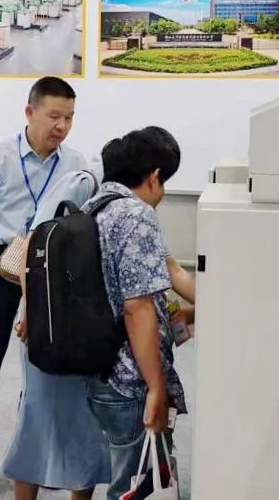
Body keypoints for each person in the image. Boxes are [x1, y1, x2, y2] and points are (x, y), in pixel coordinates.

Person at [0, 76, 88, 500]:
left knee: (44, 373)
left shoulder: (76, 164)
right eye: (54, 116)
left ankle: (35, 462)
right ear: (30, 112)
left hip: (50, 270)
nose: (62, 127)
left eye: (69, 118)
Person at [84, 126, 187, 500]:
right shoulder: (136, 215)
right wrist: (156, 388)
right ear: (154, 176)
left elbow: (170, 270)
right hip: (129, 376)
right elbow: (137, 307)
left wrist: (222, 301)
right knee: (135, 483)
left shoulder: (95, 208)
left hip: (99, 367)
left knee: (124, 469)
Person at [1, 157, 111, 500]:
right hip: (47, 321)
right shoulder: (82, 183)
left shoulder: (117, 200)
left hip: (79, 321)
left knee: (83, 423)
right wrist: (32, 311)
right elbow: (33, 247)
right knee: (36, 416)